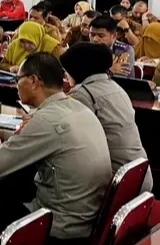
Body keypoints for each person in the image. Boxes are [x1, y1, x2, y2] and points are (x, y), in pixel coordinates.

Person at [0, 53, 111, 243]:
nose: (16, 85)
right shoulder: (79, 108)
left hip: (61, 227)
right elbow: (34, 141)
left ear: (34, 81)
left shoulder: (45, 119)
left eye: (18, 79)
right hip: (88, 217)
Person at [60, 43, 153, 193]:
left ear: (77, 70)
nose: (66, 76)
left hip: (115, 182)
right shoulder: (117, 88)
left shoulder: (83, 93)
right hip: (139, 175)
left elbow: (68, 138)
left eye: (66, 72)